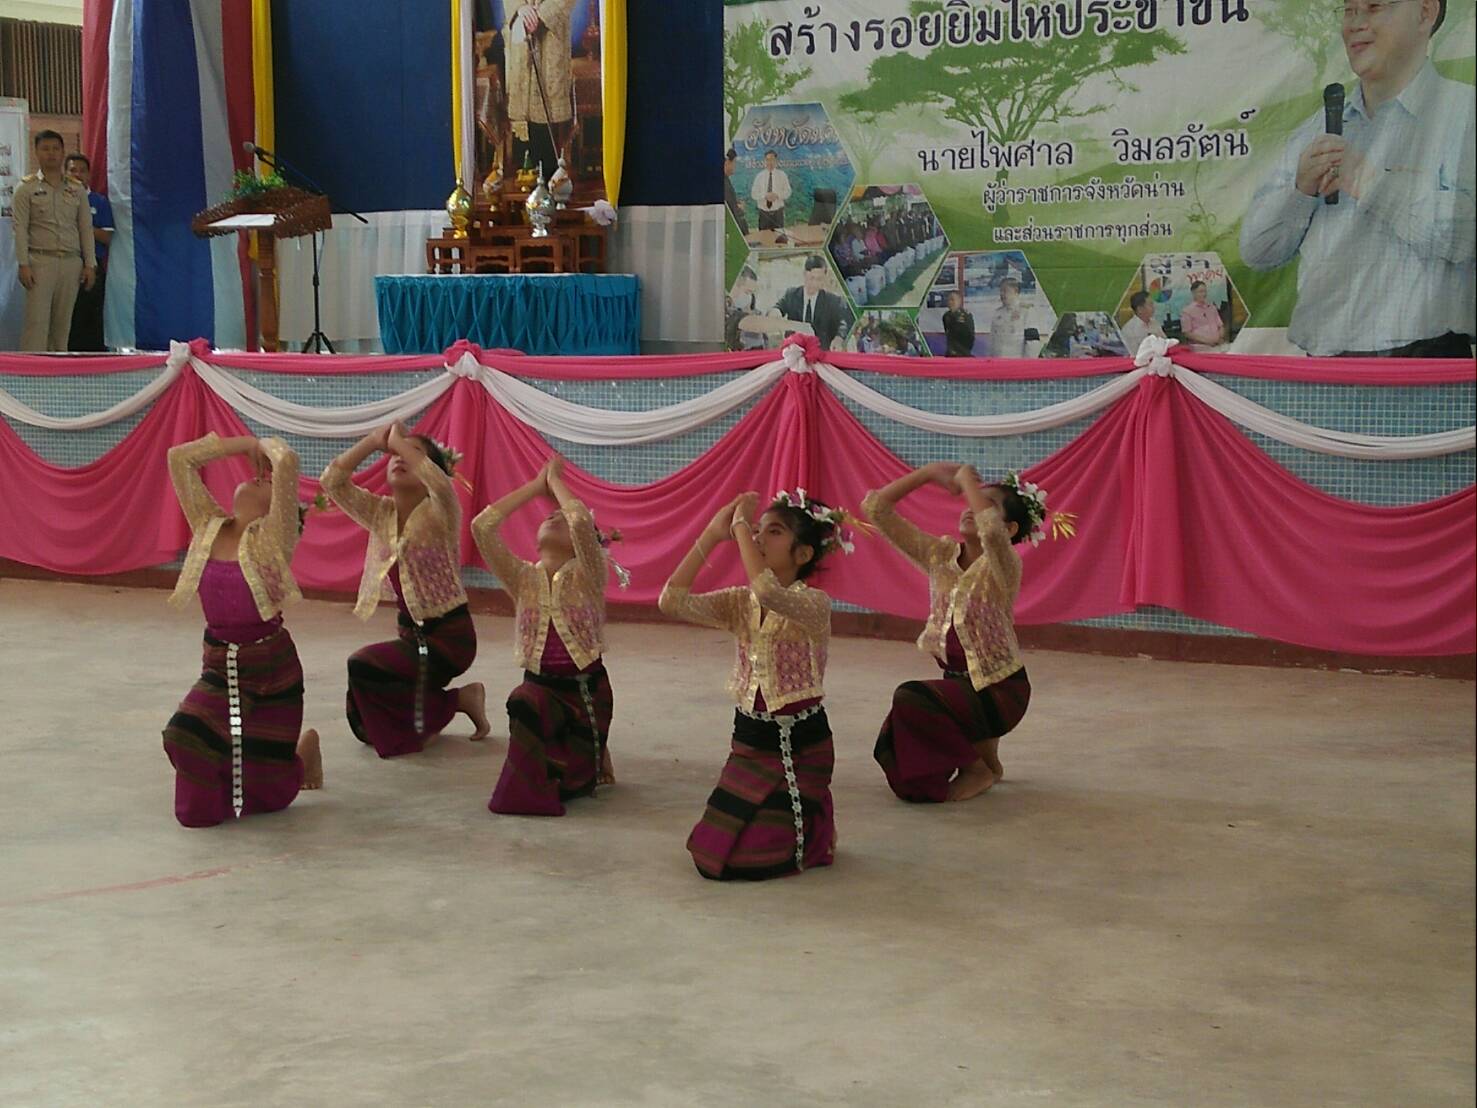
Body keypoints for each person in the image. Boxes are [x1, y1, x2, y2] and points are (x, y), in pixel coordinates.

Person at [1240, 0, 1473, 357]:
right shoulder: (1316, 131)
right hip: (1326, 368)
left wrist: (1369, 182)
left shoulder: (1464, 113)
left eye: (1374, 7)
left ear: (1425, 13)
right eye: (1349, 11)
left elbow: (1467, 237)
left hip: (1425, 364)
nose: (1355, 24)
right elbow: (1257, 251)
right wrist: (1300, 191)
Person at [660, 490, 846, 880]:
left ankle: (815, 817)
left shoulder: (815, 604)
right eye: (757, 531)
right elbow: (671, 601)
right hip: (750, 743)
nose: (759, 539)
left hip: (802, 746)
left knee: (751, 859)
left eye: (773, 532)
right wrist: (712, 535)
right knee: (710, 855)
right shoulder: (740, 602)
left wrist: (741, 524)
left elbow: (768, 591)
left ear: (803, 554)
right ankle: (804, 816)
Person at [865, 463, 1061, 803]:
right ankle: (986, 756)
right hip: (960, 686)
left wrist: (968, 482)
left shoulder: (1004, 564)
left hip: (1003, 691)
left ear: (1012, 527)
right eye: (971, 501)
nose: (972, 508)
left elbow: (991, 533)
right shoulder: (940, 555)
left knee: (910, 696)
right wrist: (927, 473)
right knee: (901, 733)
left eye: (986, 505)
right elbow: (876, 510)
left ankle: (976, 769)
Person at [162, 433, 322, 828]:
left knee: (265, 784)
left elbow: (286, 462)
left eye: (267, 483)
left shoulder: (274, 538)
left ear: (279, 508)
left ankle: (301, 759)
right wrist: (243, 443)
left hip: (270, 667)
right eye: (258, 476)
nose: (260, 478)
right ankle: (293, 755)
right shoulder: (207, 524)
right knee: (186, 735)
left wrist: (266, 448)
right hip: (219, 661)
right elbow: (179, 458)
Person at [320, 422, 489, 758]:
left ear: (429, 471)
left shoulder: (441, 508)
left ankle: (431, 719)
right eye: (395, 454)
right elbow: (333, 483)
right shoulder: (381, 512)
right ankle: (458, 700)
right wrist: (372, 441)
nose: (400, 457)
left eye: (412, 455)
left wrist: (398, 439)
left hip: (450, 637)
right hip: (412, 636)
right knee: (365, 706)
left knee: (363, 665)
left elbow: (440, 482)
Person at [472, 456, 619, 816]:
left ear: (586, 545)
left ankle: (594, 750)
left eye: (562, 519)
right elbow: (481, 527)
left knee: (572, 784)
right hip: (538, 692)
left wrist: (554, 483)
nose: (555, 515)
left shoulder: (589, 572)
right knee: (524, 700)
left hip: (584, 693)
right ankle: (580, 760)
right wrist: (535, 488)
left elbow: (581, 519)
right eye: (548, 516)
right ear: (535, 540)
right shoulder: (522, 578)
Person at [13, 131, 95, 352]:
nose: (51, 154)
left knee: (63, 325)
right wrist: (23, 264)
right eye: (45, 149)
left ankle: (57, 376)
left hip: (71, 263)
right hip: (40, 261)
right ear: (36, 152)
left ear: (62, 152)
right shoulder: (25, 188)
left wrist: (90, 264)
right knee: (37, 324)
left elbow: (85, 228)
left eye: (55, 149)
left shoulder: (76, 189)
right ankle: (32, 377)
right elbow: (19, 228)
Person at [505, 1, 576, 176]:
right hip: (521, 30)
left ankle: (551, 185)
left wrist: (541, 14)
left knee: (549, 120)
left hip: (551, 36)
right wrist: (521, 9)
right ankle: (526, 186)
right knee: (523, 130)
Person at [64, 154, 112, 352]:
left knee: (91, 318)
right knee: (65, 316)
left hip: (93, 266)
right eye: (73, 170)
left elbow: (107, 237)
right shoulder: (59, 199)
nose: (77, 174)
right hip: (65, 264)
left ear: (89, 175)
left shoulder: (99, 202)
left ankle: (92, 362)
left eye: (82, 170)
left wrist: (84, 227)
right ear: (65, 173)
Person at [772, 254, 850, 350]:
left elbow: (843, 323)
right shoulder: (791, 295)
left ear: (825, 277)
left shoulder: (832, 300)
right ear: (804, 274)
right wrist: (775, 314)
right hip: (794, 352)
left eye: (819, 279)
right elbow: (778, 308)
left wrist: (838, 339)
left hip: (821, 354)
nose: (814, 283)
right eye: (811, 278)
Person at [750, 150, 790, 234]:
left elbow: (788, 192)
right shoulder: (759, 176)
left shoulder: (782, 175)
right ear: (764, 161)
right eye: (767, 160)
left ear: (776, 161)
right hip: (764, 214)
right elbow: (753, 194)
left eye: (772, 159)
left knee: (779, 240)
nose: (770, 162)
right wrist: (765, 196)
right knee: (763, 240)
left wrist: (777, 195)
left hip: (778, 214)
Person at [989, 277, 1028, 358]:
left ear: (1016, 292)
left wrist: (1028, 366)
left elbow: (1032, 343)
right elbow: (992, 341)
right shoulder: (997, 313)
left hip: (1016, 362)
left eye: (1005, 291)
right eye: (1000, 291)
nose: (1002, 294)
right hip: (998, 362)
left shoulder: (1027, 312)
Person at [1179, 280, 1226, 347]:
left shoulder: (1212, 308)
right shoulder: (1187, 311)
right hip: (1199, 346)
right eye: (1200, 292)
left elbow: (1220, 326)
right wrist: (1206, 341)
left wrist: (1220, 338)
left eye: (1205, 291)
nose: (1204, 294)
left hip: (1218, 344)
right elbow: (1187, 333)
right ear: (1193, 293)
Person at [941, 290, 976, 357]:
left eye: (952, 300)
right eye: (948, 300)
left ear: (959, 301)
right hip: (950, 353)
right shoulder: (946, 316)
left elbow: (970, 336)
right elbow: (948, 332)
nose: (950, 302)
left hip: (963, 354)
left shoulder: (965, 315)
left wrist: (964, 351)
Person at [723, 148, 749, 236]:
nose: (735, 166)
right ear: (727, 163)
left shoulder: (726, 180)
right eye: (734, 163)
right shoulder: (724, 183)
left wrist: (736, 204)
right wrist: (739, 208)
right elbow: (730, 210)